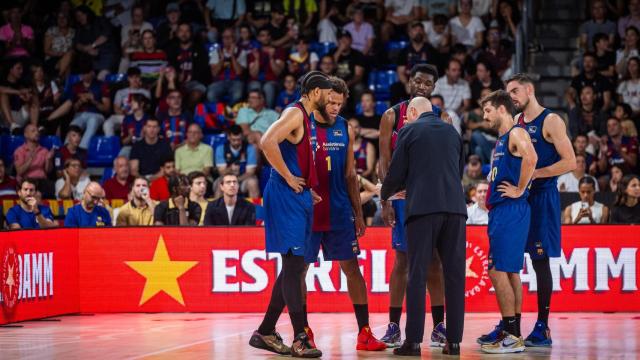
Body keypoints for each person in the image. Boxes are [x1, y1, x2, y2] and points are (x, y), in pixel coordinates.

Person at [482, 73, 576, 347]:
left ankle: (543, 326)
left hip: (542, 196)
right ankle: (510, 326)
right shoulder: (517, 124)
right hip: (518, 201)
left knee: (539, 260)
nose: (511, 96)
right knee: (510, 262)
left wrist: (533, 176)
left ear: (530, 90)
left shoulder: (551, 120)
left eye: (515, 91)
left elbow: (570, 162)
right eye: (508, 92)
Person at [249, 71, 331, 357]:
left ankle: (266, 331)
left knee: (293, 267)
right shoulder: (295, 114)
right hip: (285, 196)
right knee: (295, 266)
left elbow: (295, 156)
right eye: (328, 93)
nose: (331, 98)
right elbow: (266, 142)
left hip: (297, 195)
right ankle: (300, 337)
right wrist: (287, 177)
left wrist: (306, 185)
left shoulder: (305, 118)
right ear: (314, 92)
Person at [301, 77, 386, 351]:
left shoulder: (344, 128)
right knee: (298, 271)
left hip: (338, 211)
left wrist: (358, 214)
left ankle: (364, 331)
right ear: (320, 98)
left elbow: (351, 174)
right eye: (331, 102)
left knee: (352, 269)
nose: (336, 107)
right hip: (308, 212)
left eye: (340, 103)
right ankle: (303, 331)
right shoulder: (301, 123)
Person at [381, 96, 466, 356]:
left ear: (415, 112)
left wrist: (386, 193)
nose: (405, 119)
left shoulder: (409, 130)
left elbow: (396, 172)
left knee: (416, 274)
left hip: (422, 210)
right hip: (455, 209)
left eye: (408, 115)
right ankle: (453, 343)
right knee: (454, 276)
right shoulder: (452, 132)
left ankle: (413, 342)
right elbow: (457, 170)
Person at [378, 64, 447, 349]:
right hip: (404, 199)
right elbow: (384, 161)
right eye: (417, 81)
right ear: (409, 81)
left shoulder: (442, 118)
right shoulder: (391, 116)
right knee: (402, 261)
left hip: (431, 198)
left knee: (433, 260)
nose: (421, 86)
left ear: (433, 88)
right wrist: (387, 198)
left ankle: (440, 325)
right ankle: (394, 325)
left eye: (427, 83)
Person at [478, 90, 537, 354]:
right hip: (504, 211)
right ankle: (511, 329)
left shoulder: (517, 133)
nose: (484, 116)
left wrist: (520, 188)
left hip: (511, 209)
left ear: (502, 109)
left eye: (488, 110)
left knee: (497, 270)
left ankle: (512, 335)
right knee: (510, 271)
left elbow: (532, 158)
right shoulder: (502, 139)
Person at [103, 67, 150, 137]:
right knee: (108, 123)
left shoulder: (145, 92)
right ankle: (112, 144)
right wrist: (123, 112)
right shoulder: (120, 92)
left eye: (137, 77)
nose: (134, 80)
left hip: (139, 117)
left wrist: (137, 111)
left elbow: (148, 108)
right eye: (132, 77)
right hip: (123, 116)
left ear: (140, 78)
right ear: (128, 78)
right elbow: (116, 109)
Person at [215, 125, 259, 198]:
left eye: (238, 140)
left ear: (242, 136)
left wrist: (236, 180)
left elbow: (250, 172)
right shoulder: (221, 149)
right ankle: (215, 209)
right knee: (220, 183)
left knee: (253, 183)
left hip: (244, 179)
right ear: (228, 137)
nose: (236, 142)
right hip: (226, 179)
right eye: (233, 140)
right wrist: (230, 169)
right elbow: (221, 172)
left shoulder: (249, 148)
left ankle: (255, 209)